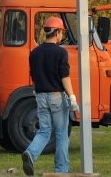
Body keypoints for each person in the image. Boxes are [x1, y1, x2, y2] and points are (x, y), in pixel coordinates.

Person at [21, 16, 80, 176]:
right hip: (56, 97)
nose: (62, 36)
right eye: (62, 32)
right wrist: (72, 97)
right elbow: (64, 77)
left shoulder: (34, 53)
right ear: (57, 32)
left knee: (44, 131)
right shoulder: (61, 52)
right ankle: (61, 170)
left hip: (40, 96)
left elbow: (33, 76)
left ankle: (30, 154)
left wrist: (37, 92)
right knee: (61, 135)